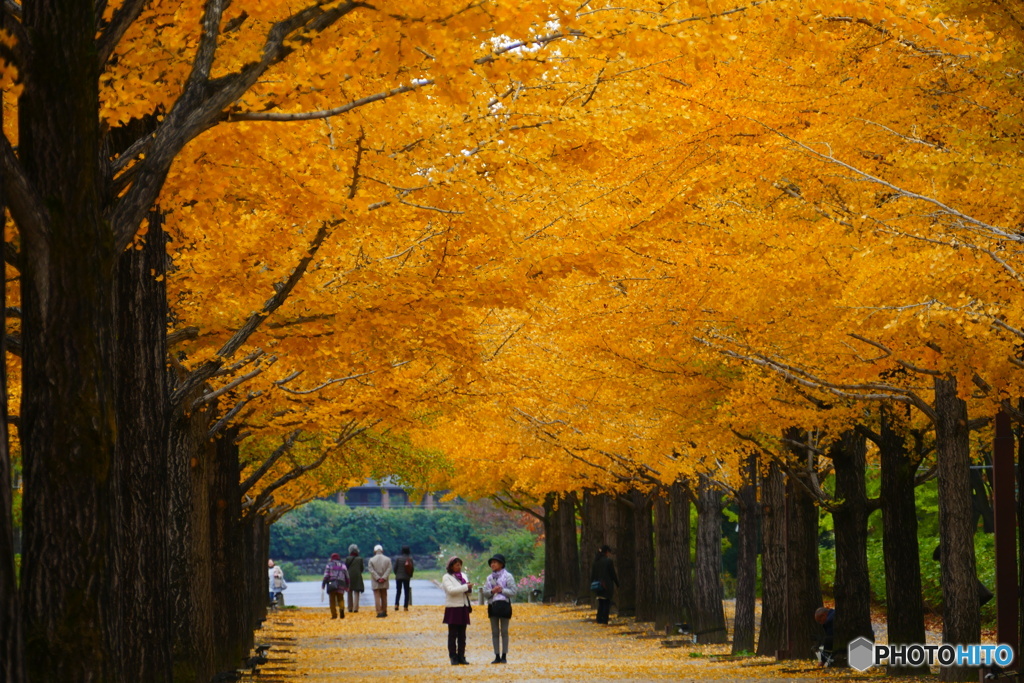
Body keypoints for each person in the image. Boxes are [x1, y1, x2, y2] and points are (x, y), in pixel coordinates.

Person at [483, 553, 517, 664]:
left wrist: (501, 590)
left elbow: (513, 591)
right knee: (495, 632)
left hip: (504, 605)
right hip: (493, 606)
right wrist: (492, 591)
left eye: (495, 562)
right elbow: (485, 593)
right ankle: (496, 655)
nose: (493, 564)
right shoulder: (489, 578)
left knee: (504, 631)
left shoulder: (508, 576)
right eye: (491, 563)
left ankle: (504, 655)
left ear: (501, 564)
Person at [442, 556, 474, 665]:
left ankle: (461, 656)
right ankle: (453, 656)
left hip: (463, 606)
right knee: (452, 634)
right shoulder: (447, 577)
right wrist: (465, 587)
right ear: (451, 566)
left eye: (460, 565)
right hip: (453, 608)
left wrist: (469, 588)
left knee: (462, 634)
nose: (459, 567)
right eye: (456, 565)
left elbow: (468, 593)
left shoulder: (463, 576)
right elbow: (451, 591)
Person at [590, 545, 618, 625]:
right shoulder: (608, 561)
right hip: (607, 585)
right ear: (606, 552)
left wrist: (592, 583)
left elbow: (593, 575)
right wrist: (617, 583)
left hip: (598, 585)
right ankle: (604, 619)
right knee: (606, 603)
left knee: (601, 602)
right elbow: (612, 574)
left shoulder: (596, 562)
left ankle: (599, 619)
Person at [367, 544, 393, 618]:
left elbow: (371, 570)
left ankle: (379, 612)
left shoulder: (371, 560)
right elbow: (389, 569)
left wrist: (378, 578)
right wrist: (383, 577)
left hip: (375, 581)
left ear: (375, 551)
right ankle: (384, 611)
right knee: (384, 596)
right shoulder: (387, 559)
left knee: (377, 597)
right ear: (382, 550)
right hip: (384, 581)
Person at [322, 553, 350, 620]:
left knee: (332, 600)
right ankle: (341, 609)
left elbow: (326, 575)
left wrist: (323, 584)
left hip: (332, 584)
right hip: (341, 583)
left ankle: (334, 615)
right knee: (340, 598)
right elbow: (347, 576)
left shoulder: (329, 565)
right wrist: (347, 584)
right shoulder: (343, 565)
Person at [393, 545, 415, 611]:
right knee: (406, 591)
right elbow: (412, 568)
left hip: (398, 577)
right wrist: (410, 575)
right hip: (406, 577)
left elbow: (395, 568)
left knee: (398, 591)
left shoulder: (398, 559)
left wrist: (397, 574)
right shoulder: (409, 559)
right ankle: (405, 606)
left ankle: (396, 605)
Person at [344, 544, 364, 613]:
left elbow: (345, 568)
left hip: (349, 576)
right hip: (357, 576)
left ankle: (350, 607)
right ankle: (356, 608)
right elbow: (362, 568)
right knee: (357, 592)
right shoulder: (360, 559)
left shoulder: (347, 558)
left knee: (349, 591)